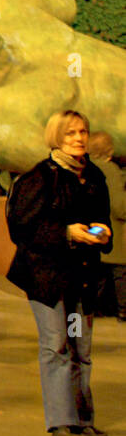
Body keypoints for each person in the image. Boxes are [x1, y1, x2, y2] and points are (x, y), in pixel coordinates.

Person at [6, 110, 112, 436]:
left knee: (80, 347)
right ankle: (61, 425)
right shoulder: (39, 178)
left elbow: (101, 218)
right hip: (47, 279)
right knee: (56, 346)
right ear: (56, 137)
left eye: (82, 132)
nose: (79, 138)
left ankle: (82, 417)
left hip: (81, 279)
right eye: (70, 134)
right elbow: (21, 229)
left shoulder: (93, 176)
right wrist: (67, 233)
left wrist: (102, 232)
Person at [87, 132, 126, 320]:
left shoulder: (83, 168)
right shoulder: (110, 171)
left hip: (89, 230)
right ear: (109, 152)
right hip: (110, 231)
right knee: (120, 270)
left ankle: (92, 307)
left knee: (97, 271)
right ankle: (123, 309)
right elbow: (119, 205)